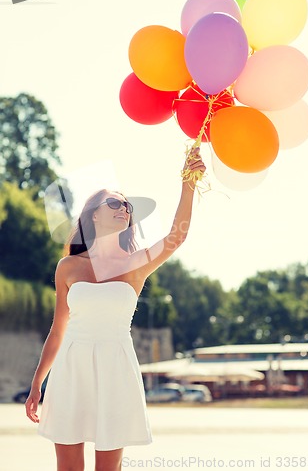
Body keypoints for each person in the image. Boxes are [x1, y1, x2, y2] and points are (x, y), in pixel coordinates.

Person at [25, 147, 206, 471]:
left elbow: (176, 236)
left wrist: (188, 183)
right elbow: (58, 328)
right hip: (71, 367)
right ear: (94, 215)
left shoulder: (135, 265)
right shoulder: (68, 266)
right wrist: (38, 381)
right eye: (114, 202)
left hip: (116, 368)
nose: (124, 208)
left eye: (127, 205)